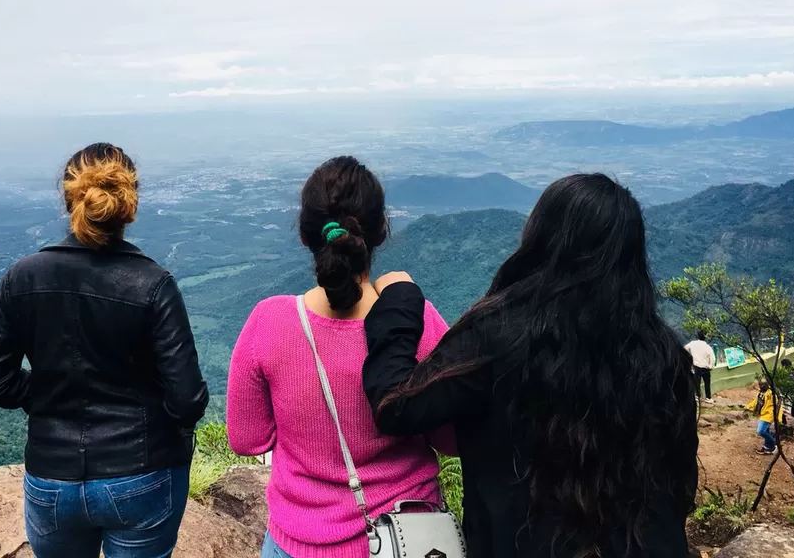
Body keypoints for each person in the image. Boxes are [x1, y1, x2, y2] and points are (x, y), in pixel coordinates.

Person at [363, 173, 699, 558]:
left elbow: (396, 405)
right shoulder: (664, 356)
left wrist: (400, 303)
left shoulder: (498, 334)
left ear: (542, 239)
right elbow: (680, 486)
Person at [0, 143, 209, 558]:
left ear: (69, 197)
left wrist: (42, 395)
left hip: (52, 478)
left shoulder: (23, 277)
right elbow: (186, 399)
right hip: (143, 472)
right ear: (129, 203)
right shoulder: (153, 283)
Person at [227, 156, 454, 558]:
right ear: (380, 232)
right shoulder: (419, 320)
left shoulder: (269, 321)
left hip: (297, 541)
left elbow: (248, 440)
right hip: (407, 537)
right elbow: (451, 439)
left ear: (305, 237)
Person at [746, 381, 781, 455]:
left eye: (762, 385)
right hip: (763, 414)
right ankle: (767, 448)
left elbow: (779, 404)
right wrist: (748, 406)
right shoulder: (761, 393)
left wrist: (778, 417)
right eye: (760, 384)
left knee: (760, 431)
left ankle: (774, 444)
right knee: (766, 431)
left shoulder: (771, 394)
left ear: (767, 385)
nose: (760, 386)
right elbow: (756, 401)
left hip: (769, 415)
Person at [685, 331, 717, 404]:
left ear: (697, 336)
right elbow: (712, 358)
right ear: (705, 338)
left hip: (696, 367)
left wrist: (690, 357)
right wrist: (710, 367)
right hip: (705, 368)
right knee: (707, 383)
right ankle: (708, 398)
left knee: (697, 382)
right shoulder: (708, 347)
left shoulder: (693, 343)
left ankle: (697, 396)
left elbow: (685, 348)